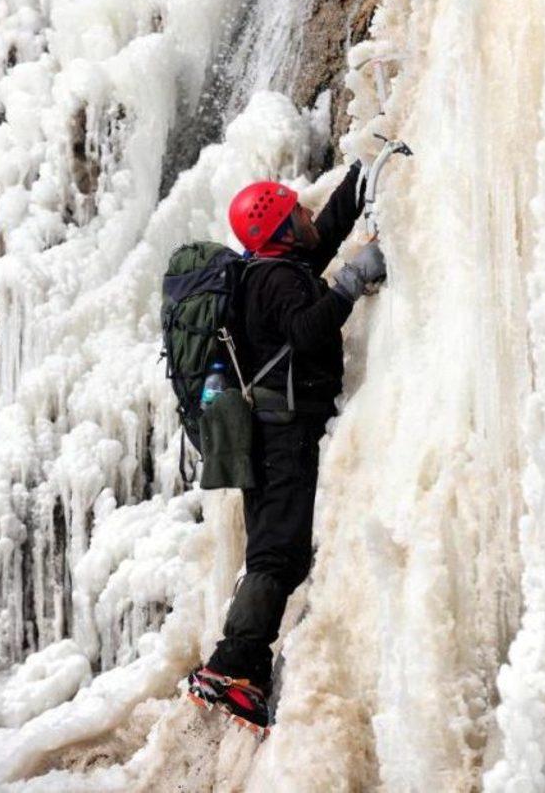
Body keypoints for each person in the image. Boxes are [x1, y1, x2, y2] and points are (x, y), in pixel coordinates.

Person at [187, 160, 386, 732]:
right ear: (278, 228)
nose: (306, 214)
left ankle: (242, 665)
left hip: (278, 429)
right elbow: (305, 330)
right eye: (295, 210)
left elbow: (322, 236)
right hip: (282, 435)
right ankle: (231, 667)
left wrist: (361, 176)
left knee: (280, 551)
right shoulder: (276, 280)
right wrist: (352, 281)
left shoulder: (277, 265)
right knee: (277, 554)